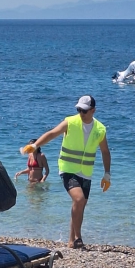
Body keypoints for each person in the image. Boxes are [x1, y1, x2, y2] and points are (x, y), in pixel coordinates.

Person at [21, 95, 110, 249]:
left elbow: (105, 151)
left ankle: (71, 242)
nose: (81, 113)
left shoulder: (100, 129)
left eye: (84, 110)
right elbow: (52, 134)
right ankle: (78, 238)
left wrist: (107, 174)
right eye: (79, 110)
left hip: (86, 172)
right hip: (68, 169)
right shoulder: (70, 122)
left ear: (93, 111)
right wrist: (35, 146)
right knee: (79, 200)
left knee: (79, 205)